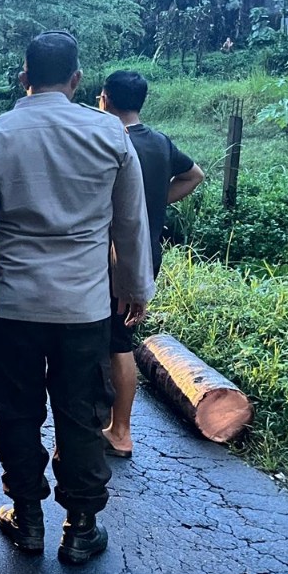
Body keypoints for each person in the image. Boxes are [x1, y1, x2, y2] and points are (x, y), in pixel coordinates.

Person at [0, 31, 155, 565]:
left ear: (24, 77)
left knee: (15, 412)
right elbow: (131, 223)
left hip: (13, 305)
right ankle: (81, 528)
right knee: (81, 413)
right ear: (77, 79)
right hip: (85, 309)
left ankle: (29, 518)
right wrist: (136, 289)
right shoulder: (110, 134)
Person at [98, 71, 205, 458]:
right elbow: (194, 175)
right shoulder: (159, 141)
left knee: (115, 341)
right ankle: (112, 424)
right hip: (147, 252)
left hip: (114, 253)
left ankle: (120, 431)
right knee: (117, 336)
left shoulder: (110, 139)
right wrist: (154, 202)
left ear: (106, 99)